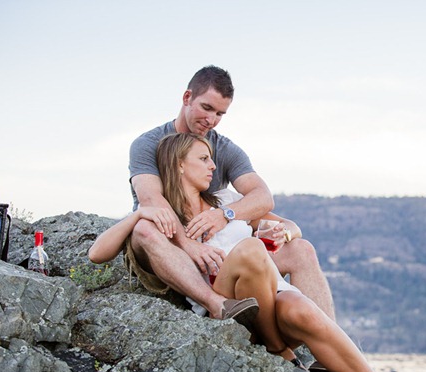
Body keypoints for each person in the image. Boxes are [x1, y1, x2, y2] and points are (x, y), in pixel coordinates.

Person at [90, 133, 426, 372]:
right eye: (204, 159)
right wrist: (138, 215)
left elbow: (291, 226)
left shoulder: (226, 199)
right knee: (252, 252)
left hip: (274, 297)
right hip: (230, 303)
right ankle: (278, 348)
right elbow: (97, 254)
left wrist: (285, 235)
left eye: (212, 159)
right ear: (180, 164)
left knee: (301, 309)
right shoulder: (167, 217)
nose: (213, 166)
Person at [127, 65, 335, 324]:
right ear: (187, 98)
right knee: (145, 229)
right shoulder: (148, 144)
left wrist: (225, 215)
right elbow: (151, 201)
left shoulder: (224, 148)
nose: (211, 120)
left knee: (302, 250)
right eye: (206, 108)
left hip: (218, 252)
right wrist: (188, 245)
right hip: (167, 247)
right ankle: (216, 305)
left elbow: (262, 196)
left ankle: (326, 345)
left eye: (220, 114)